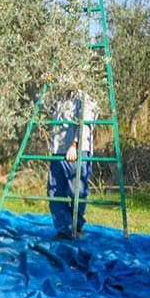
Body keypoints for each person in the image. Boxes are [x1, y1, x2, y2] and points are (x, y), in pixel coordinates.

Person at [47, 88, 98, 239]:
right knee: (54, 192)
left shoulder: (84, 98)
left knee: (77, 191)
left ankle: (76, 227)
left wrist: (75, 144)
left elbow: (87, 123)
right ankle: (64, 229)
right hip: (58, 151)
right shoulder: (58, 97)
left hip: (76, 152)